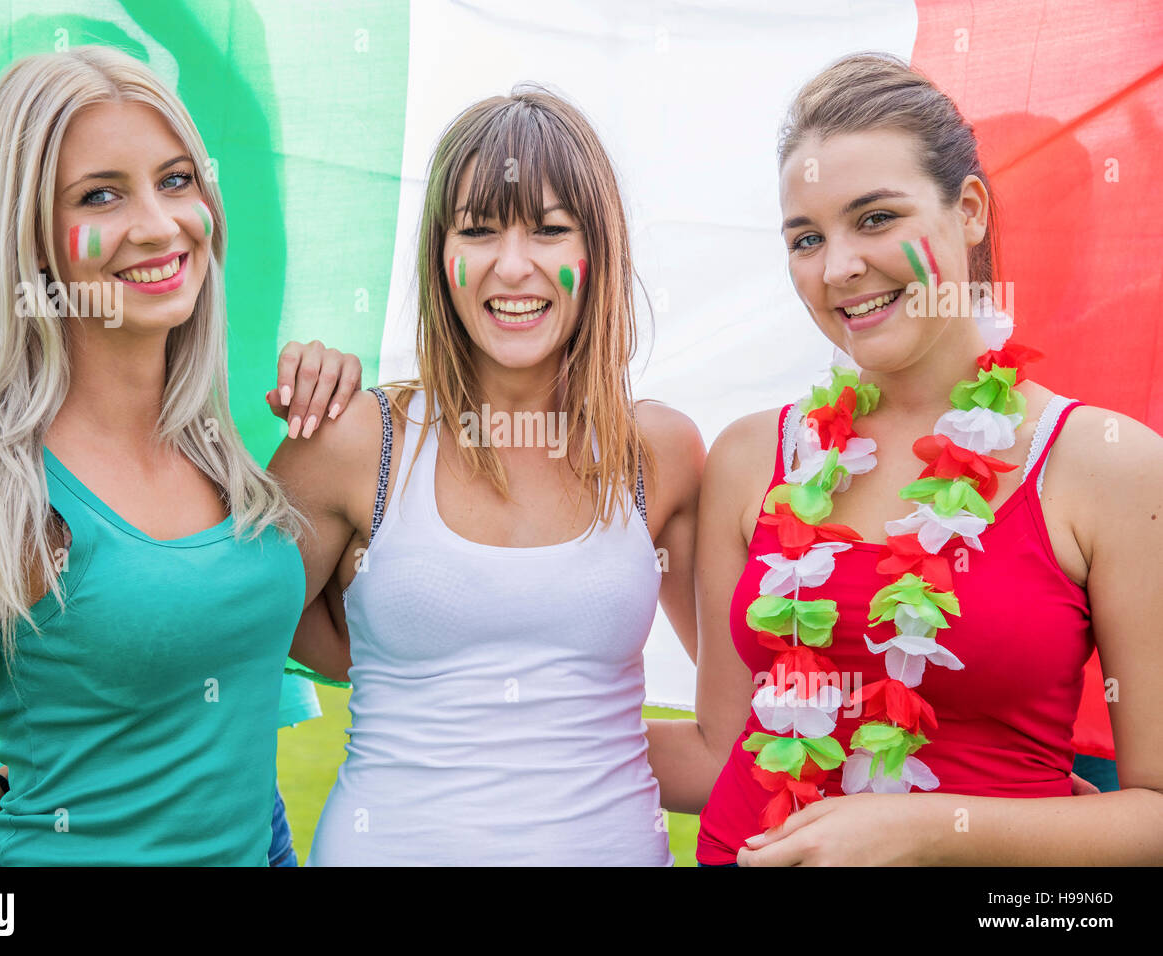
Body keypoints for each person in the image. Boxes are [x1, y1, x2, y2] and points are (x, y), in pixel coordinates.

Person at [652, 52, 1163, 865]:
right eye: (807, 237)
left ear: (969, 211)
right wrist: (481, 726)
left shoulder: (1107, 468)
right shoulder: (752, 457)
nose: (839, 267)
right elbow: (719, 749)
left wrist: (928, 832)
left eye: (877, 217)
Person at [0, 46, 355, 866]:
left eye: (176, 180)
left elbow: (363, 643)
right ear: (30, 237)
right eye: (100, 194)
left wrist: (354, 427)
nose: (159, 225)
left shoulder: (226, 450)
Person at [264, 84, 705, 865]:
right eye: (477, 230)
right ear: (441, 256)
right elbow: (210, 648)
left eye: (548, 230)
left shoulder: (660, 453)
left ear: (596, 254)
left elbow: (739, 735)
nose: (511, 266)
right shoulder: (356, 441)